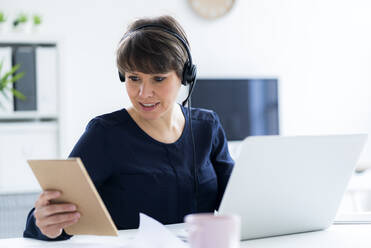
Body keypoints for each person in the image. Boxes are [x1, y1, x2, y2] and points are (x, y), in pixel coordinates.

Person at [23, 15, 234, 241]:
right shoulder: (104, 134)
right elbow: (47, 219)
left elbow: (238, 201)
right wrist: (46, 223)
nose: (143, 93)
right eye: (134, 78)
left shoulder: (207, 127)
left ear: (184, 76)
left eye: (158, 79)